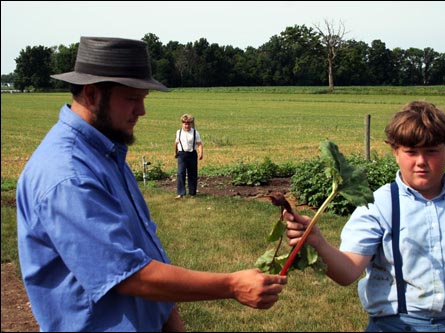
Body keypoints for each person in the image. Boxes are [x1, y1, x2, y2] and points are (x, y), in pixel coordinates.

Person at [16, 36, 286, 332]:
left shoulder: (104, 154)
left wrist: (171, 323)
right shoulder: (68, 175)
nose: (142, 110)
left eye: (144, 98)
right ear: (92, 95)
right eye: (132, 98)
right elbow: (130, 276)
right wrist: (232, 285)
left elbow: (146, 251)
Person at [284, 101, 445, 332]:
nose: (421, 162)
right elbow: (347, 271)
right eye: (411, 152)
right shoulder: (378, 205)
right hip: (394, 326)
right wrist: (317, 242)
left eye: (431, 151)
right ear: (395, 152)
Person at [174, 114, 203, 198]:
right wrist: (175, 153)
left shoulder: (195, 132)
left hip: (192, 154)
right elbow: (176, 143)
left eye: (189, 124)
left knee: (192, 173)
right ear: (182, 124)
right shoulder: (178, 132)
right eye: (185, 124)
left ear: (191, 124)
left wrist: (201, 153)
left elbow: (199, 144)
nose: (187, 125)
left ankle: (192, 193)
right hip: (182, 154)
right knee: (180, 173)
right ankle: (181, 193)